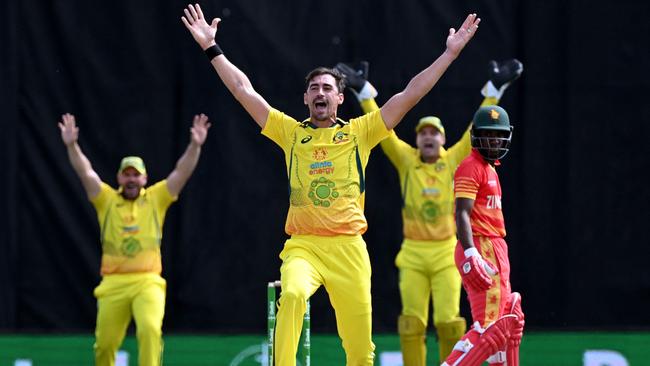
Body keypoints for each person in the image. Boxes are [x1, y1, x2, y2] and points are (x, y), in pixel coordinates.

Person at [181, 4, 479, 365]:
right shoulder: (290, 133)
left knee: (359, 350)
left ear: (339, 97)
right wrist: (213, 49)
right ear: (306, 98)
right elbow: (244, 90)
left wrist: (449, 54)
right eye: (313, 88)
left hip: (349, 248)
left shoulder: (361, 131)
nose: (320, 93)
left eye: (327, 87)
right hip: (303, 246)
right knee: (290, 294)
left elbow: (410, 94)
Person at [334, 59, 523, 365]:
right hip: (413, 253)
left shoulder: (454, 161)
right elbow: (383, 128)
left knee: (450, 322)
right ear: (418, 138)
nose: (428, 137)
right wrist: (363, 92)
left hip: (447, 250)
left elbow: (480, 127)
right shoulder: (407, 160)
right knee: (411, 323)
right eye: (423, 133)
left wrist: (494, 89)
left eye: (434, 133)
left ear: (443, 139)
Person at [58, 112, 211, 366]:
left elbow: (180, 173)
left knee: (150, 330)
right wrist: (71, 145)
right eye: (127, 175)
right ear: (119, 178)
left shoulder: (155, 198)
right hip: (113, 282)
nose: (131, 179)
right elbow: (86, 173)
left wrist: (195, 145)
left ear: (144, 178)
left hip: (147, 281)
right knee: (105, 344)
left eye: (135, 175)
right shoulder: (106, 200)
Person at [440, 105, 525, 366]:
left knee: (509, 320)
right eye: (488, 135)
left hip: (494, 246)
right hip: (481, 244)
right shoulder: (471, 166)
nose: (494, 140)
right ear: (476, 136)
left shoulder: (490, 168)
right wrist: (471, 251)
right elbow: (462, 213)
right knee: (489, 329)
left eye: (498, 135)